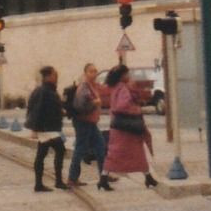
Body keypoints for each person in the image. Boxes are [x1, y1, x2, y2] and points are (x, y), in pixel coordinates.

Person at [103, 64, 157, 188]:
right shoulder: (123, 88)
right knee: (136, 152)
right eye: (127, 74)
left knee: (116, 154)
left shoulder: (116, 87)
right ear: (123, 76)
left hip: (119, 126)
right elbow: (122, 106)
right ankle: (148, 177)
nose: (129, 76)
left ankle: (103, 178)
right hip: (127, 127)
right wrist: (136, 109)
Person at [65, 63, 113, 192]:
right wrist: (94, 103)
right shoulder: (83, 87)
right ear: (85, 73)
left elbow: (105, 89)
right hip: (83, 122)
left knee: (100, 147)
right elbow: (80, 106)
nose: (94, 73)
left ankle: (104, 176)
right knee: (80, 149)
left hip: (90, 123)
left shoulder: (92, 86)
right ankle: (72, 178)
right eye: (91, 71)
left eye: (95, 71)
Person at [24, 65, 67, 192]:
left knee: (42, 154)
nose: (56, 77)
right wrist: (35, 129)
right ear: (48, 76)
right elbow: (36, 110)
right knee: (60, 150)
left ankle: (39, 184)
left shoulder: (45, 90)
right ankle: (57, 181)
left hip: (48, 127)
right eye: (54, 75)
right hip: (47, 128)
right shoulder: (44, 91)